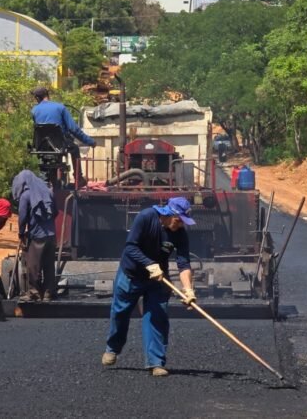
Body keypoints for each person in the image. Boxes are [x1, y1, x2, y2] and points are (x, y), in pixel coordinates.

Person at [101, 197, 197, 377]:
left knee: (157, 316)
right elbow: (130, 247)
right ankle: (113, 347)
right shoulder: (146, 217)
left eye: (184, 222)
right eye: (178, 221)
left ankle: (156, 362)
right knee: (120, 313)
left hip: (158, 280)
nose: (180, 225)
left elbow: (183, 263)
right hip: (131, 275)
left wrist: (188, 289)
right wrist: (149, 264)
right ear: (169, 214)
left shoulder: (180, 234)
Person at [30, 86, 96, 186]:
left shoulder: (34, 110)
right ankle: (78, 178)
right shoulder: (60, 107)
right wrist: (90, 141)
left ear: (37, 98)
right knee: (75, 148)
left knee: (45, 159)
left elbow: (40, 128)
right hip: (59, 145)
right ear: (48, 95)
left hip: (42, 146)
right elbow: (73, 129)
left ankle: (45, 180)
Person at [12, 170, 58, 302]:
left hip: (37, 237)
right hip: (51, 235)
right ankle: (49, 293)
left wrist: (21, 233)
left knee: (33, 266)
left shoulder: (26, 196)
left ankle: (34, 293)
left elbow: (22, 217)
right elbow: (55, 212)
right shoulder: (48, 192)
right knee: (49, 265)